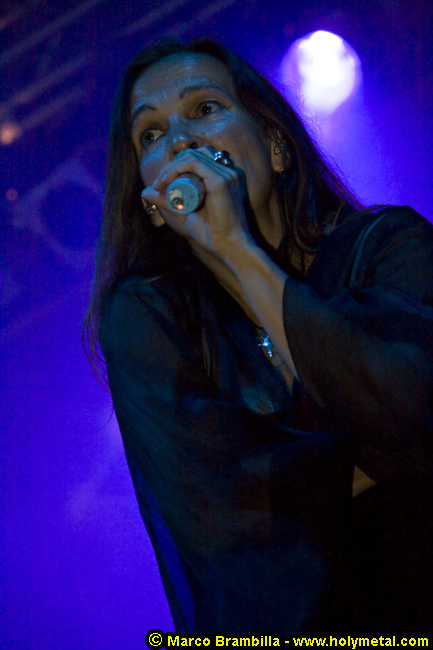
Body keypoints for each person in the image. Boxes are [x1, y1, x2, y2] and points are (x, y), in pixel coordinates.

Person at [83, 38, 433, 636]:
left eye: (204, 109)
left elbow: (413, 400)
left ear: (275, 145)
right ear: (153, 203)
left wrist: (237, 254)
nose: (179, 141)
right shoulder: (145, 320)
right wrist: (383, 453)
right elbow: (218, 513)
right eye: (151, 134)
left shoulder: (385, 248)